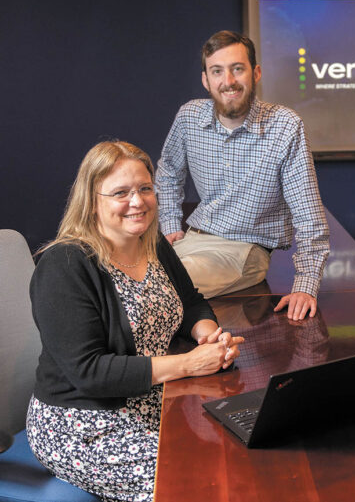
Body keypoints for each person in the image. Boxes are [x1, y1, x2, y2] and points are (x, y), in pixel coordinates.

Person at [27, 141, 244, 501]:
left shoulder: (151, 242)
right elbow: (89, 372)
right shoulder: (64, 265)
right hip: (82, 423)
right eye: (120, 193)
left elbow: (190, 302)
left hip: (154, 403)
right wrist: (189, 364)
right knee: (197, 483)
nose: (137, 202)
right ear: (92, 200)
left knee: (238, 457)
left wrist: (208, 336)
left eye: (145, 188)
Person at [155, 30, 330, 321]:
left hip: (243, 251)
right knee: (114, 274)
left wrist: (306, 285)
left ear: (255, 73)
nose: (229, 81)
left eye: (238, 69)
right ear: (205, 80)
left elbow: (308, 213)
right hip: (191, 239)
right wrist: (171, 222)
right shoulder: (189, 117)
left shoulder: (285, 126)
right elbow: (169, 171)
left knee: (158, 287)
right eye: (217, 71)